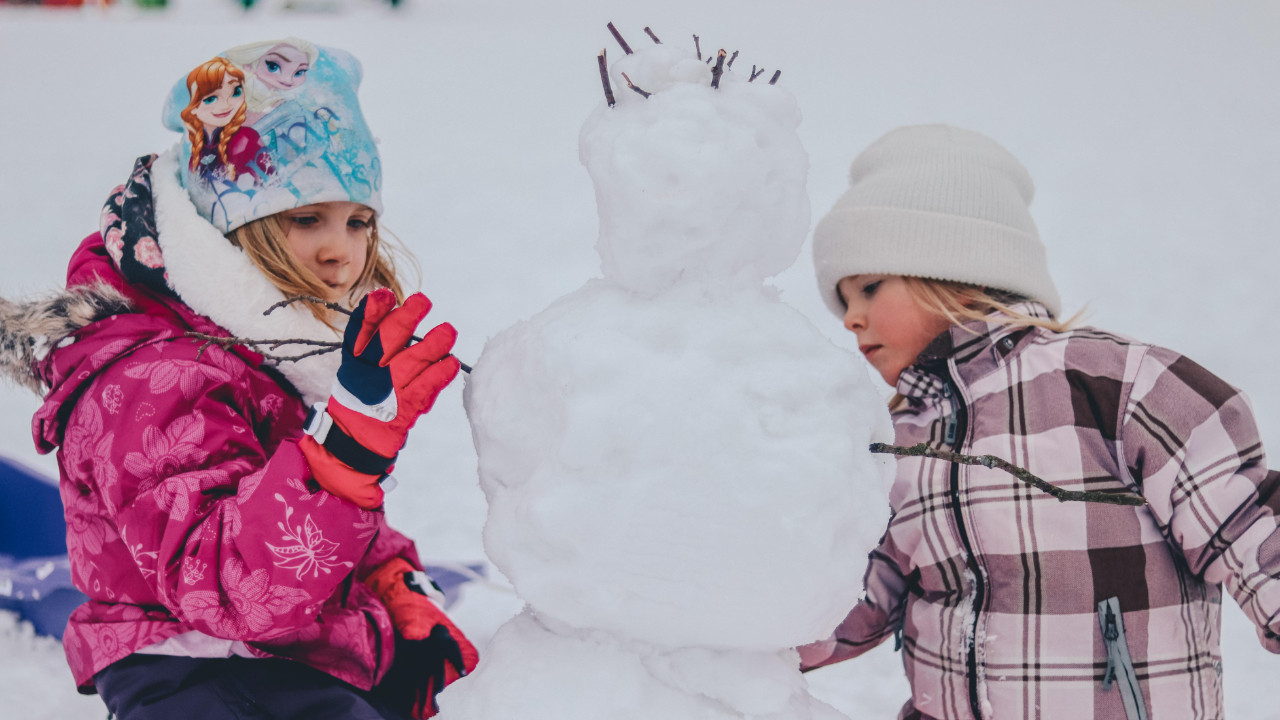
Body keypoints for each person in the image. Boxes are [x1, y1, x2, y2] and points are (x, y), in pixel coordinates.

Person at [0, 38, 476, 719]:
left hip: (285, 654)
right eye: (307, 218)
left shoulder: (263, 344)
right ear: (231, 229)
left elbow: (283, 489)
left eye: (358, 221)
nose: (341, 250)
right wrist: (346, 458)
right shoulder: (153, 377)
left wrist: (389, 574)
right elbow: (223, 592)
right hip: (197, 676)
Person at [800, 124, 1280, 720]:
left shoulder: (1113, 384)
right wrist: (735, 625)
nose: (851, 319)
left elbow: (1242, 517)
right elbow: (851, 600)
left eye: (868, 288)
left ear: (951, 267)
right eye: (842, 302)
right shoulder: (900, 442)